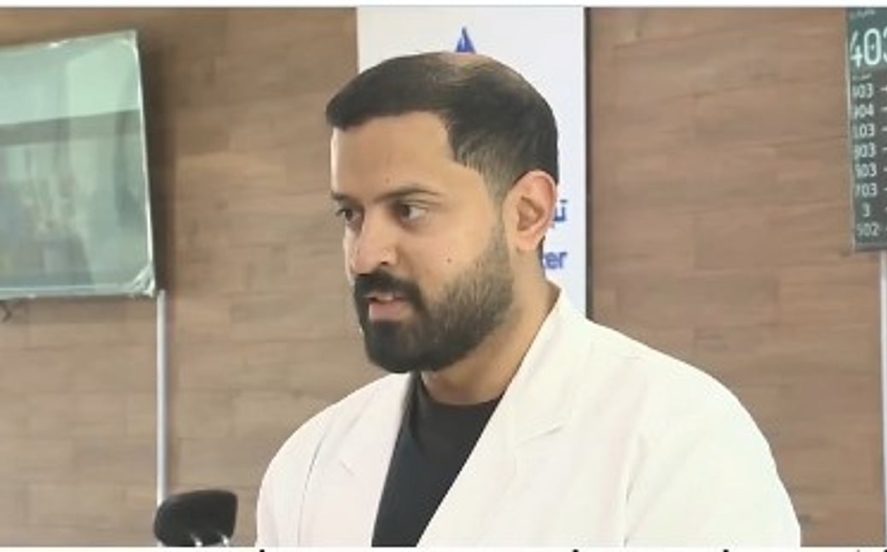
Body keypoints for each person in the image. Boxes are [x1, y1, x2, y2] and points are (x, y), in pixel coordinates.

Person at [256, 52, 800, 547]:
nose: (365, 255)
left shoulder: (681, 443)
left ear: (527, 214)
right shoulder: (309, 465)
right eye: (351, 214)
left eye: (410, 210)